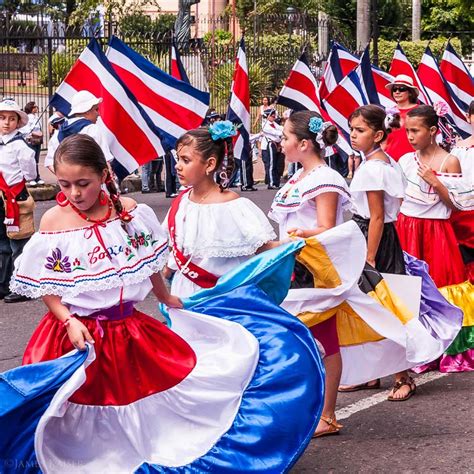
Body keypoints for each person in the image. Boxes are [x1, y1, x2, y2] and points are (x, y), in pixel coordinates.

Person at [8, 133, 325, 471]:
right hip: (75, 337)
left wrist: (165, 296)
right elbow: (46, 284)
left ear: (104, 175)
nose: (74, 193)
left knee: (142, 403)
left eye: (83, 183)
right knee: (72, 412)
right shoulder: (54, 221)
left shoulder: (128, 213)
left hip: (127, 331)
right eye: (66, 184)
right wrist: (67, 319)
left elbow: (148, 263)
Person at [268, 110, 350, 437]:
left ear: (303, 143)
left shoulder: (323, 179)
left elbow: (327, 228)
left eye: (285, 137)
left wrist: (297, 237)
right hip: (290, 265)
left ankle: (328, 415)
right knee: (293, 338)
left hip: (314, 270)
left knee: (325, 339)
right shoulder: (299, 177)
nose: (280, 142)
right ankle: (304, 407)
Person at [341, 105, 415, 399]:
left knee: (384, 305)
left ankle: (403, 376)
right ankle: (371, 373)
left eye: (360, 130)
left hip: (373, 238)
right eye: (352, 130)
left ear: (378, 134)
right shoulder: (382, 162)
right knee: (368, 306)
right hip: (376, 235)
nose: (353, 135)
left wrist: (369, 257)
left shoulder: (373, 168)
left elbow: (375, 216)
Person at [396, 104, 473, 372]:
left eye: (415, 131)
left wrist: (436, 181)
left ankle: (450, 350)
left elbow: (455, 205)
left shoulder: (448, 161)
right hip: (407, 227)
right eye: (407, 131)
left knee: (442, 284)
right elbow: (399, 198)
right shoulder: (406, 160)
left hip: (436, 229)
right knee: (409, 287)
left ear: (432, 130)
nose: (410, 136)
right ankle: (418, 348)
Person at [164, 121, 277, 297]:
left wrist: (292, 244)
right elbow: (175, 244)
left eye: (186, 160)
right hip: (184, 293)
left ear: (209, 165)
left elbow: (263, 247)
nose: (178, 165)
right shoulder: (182, 202)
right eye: (178, 159)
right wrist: (169, 268)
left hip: (222, 298)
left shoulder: (234, 206)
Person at [0, 99, 36, 303]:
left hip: (16, 199)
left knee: (19, 245)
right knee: (2, 244)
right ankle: (4, 284)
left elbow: (30, 173)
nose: (6, 123)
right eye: (2, 118)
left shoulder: (20, 146)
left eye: (11, 119)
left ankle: (23, 286)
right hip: (0, 199)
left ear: (18, 122)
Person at [51, 90, 114, 163]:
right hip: (90, 173)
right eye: (96, 109)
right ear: (87, 110)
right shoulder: (92, 129)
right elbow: (105, 159)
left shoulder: (60, 130)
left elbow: (50, 162)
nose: (98, 114)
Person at [383, 75, 420, 161]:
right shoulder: (389, 112)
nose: (397, 92)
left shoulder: (420, 111)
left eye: (402, 89)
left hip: (413, 162)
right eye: (394, 89)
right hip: (390, 160)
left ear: (410, 92)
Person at [21, 101, 44, 186]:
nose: (36, 108)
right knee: (31, 159)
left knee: (36, 159)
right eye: (35, 107)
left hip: (37, 140)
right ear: (31, 108)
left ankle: (37, 177)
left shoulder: (36, 117)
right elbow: (27, 130)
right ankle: (31, 178)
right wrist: (36, 133)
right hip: (31, 140)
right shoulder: (29, 118)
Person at [261, 108, 284, 189]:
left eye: (274, 115)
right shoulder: (265, 125)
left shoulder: (273, 123)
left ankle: (276, 182)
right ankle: (271, 183)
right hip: (270, 145)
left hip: (276, 145)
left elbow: (280, 128)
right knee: (271, 165)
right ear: (266, 116)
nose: (273, 116)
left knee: (277, 164)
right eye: (271, 115)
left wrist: (286, 129)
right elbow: (274, 132)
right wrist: (285, 132)